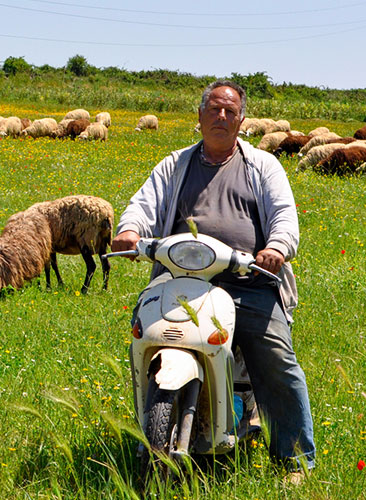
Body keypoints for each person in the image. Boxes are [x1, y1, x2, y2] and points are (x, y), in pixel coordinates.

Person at [112, 80, 315, 480]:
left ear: (242, 120)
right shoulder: (175, 164)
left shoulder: (263, 166)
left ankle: (295, 459)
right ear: (200, 116)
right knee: (148, 337)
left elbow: (284, 217)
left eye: (230, 111)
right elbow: (144, 204)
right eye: (214, 109)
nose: (221, 116)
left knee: (275, 358)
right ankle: (154, 421)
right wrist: (130, 230)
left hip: (248, 280)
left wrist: (276, 246)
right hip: (178, 277)